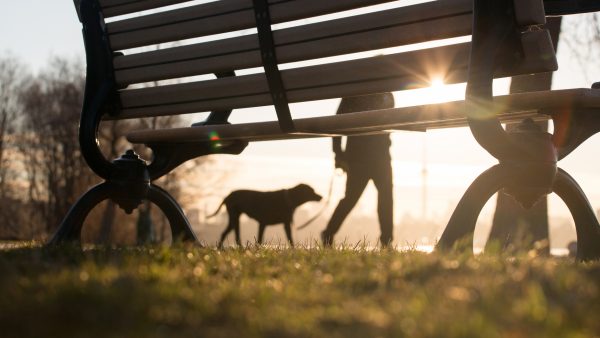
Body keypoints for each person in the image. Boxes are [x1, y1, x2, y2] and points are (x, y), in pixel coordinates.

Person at [321, 92, 395, 247]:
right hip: (380, 155)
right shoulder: (386, 92)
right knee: (385, 196)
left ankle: (328, 233)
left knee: (350, 199)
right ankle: (387, 240)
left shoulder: (353, 93)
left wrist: (338, 154)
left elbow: (337, 123)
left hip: (357, 155)